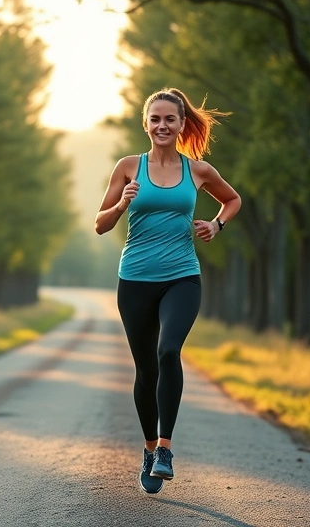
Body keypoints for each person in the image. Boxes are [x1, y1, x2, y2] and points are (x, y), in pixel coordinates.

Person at [94, 87, 241, 494]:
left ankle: (165, 449)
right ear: (146, 124)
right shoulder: (128, 167)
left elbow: (232, 200)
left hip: (182, 276)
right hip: (135, 279)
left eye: (170, 119)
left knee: (169, 350)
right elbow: (100, 224)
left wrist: (216, 224)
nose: (162, 125)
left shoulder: (198, 171)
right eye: (155, 119)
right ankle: (146, 448)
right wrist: (121, 204)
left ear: (180, 125)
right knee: (146, 369)